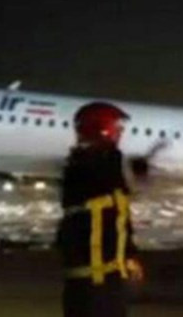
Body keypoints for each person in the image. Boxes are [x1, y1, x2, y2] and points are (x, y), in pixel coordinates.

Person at [56, 102, 144, 317]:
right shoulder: (91, 167)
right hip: (95, 286)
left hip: (103, 283)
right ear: (102, 129)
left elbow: (117, 218)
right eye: (117, 126)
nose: (120, 132)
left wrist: (128, 257)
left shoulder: (101, 164)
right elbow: (100, 225)